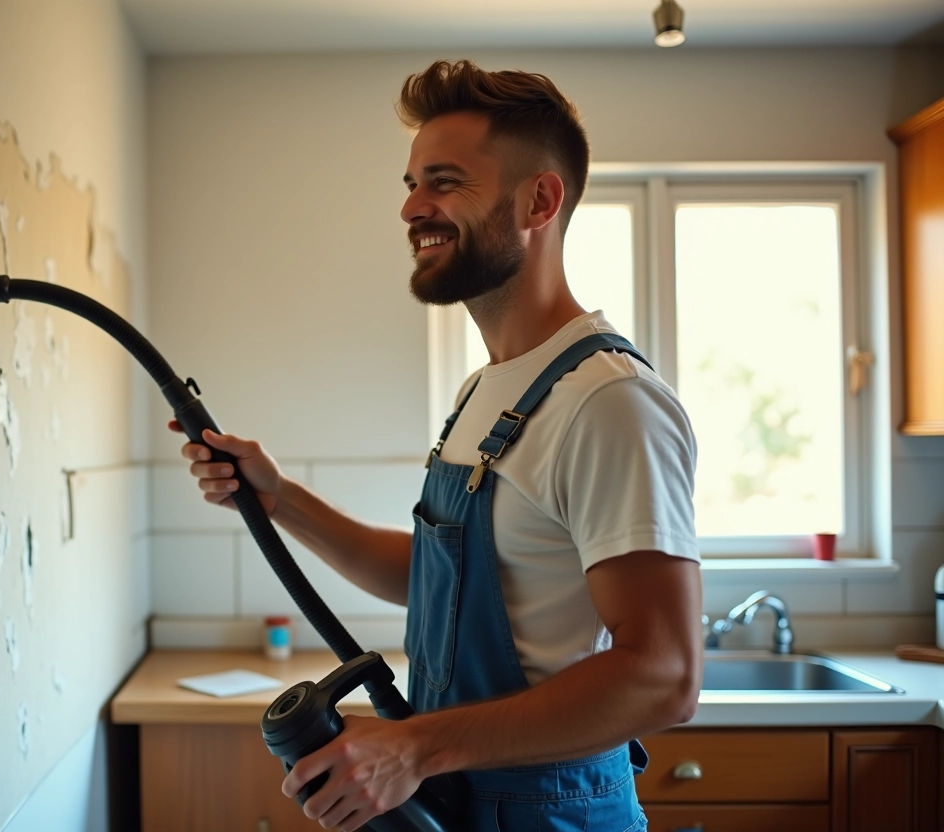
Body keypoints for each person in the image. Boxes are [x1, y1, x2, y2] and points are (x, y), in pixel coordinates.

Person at [170, 59, 702, 832]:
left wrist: (414, 749)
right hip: (463, 799)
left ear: (539, 200)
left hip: (549, 812)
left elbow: (664, 675)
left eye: (445, 182)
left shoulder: (608, 402)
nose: (412, 207)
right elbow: (434, 579)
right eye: (412, 182)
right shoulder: (486, 391)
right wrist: (280, 499)